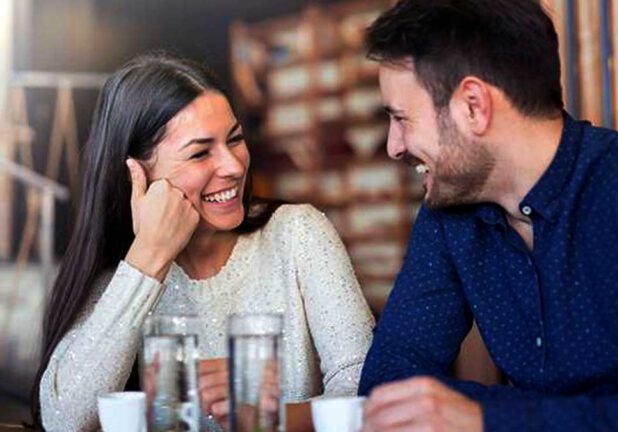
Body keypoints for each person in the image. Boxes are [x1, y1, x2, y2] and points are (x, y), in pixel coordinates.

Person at [357, 1, 618, 431]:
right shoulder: (450, 213)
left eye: (401, 118)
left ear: (474, 106)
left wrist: (489, 417)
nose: (394, 147)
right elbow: (389, 383)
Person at [32, 52, 374, 431]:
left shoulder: (298, 234)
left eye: (235, 139)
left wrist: (267, 418)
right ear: (136, 177)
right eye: (200, 153)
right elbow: (62, 421)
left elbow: (365, 390)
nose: (233, 166)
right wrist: (149, 257)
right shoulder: (115, 276)